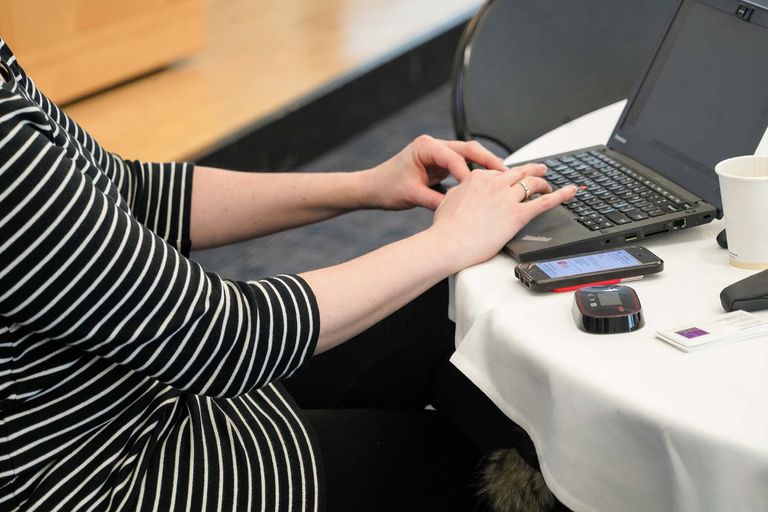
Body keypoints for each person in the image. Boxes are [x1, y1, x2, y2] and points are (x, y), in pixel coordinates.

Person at [0, 36, 576, 512]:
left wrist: (364, 186)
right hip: (107, 468)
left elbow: (131, 192)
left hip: (135, 388)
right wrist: (447, 242)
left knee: (440, 308)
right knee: (488, 473)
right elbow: (215, 340)